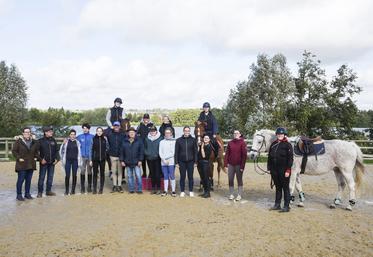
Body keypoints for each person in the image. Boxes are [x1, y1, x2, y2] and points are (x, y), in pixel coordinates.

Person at [267, 127, 294, 213]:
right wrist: (269, 168)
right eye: (278, 134)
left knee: (285, 188)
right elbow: (269, 157)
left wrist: (288, 170)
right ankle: (277, 204)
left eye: (281, 134)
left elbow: (290, 159)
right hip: (274, 170)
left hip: (284, 170)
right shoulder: (273, 144)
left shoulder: (288, 145)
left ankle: (286, 206)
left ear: (284, 135)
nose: (280, 136)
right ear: (276, 135)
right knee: (278, 188)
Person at [12, 127, 39, 201]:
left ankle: (27, 194)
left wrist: (36, 157)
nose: (27, 133)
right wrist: (18, 158)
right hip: (22, 164)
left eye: (29, 132)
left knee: (28, 180)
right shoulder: (18, 141)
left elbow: (37, 150)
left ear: (30, 133)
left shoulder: (33, 141)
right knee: (21, 180)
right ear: (23, 133)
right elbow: (14, 151)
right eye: (26, 132)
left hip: (31, 164)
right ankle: (19, 195)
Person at [224, 130, 247, 201]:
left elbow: (244, 155)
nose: (236, 134)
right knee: (230, 179)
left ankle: (239, 195)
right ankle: (231, 194)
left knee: (239, 179)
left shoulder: (243, 143)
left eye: (237, 133)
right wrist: (225, 164)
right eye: (234, 133)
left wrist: (242, 166)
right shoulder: (230, 143)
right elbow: (227, 154)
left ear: (240, 134)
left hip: (239, 165)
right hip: (231, 164)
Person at [36, 126, 59, 198]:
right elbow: (36, 152)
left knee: (50, 177)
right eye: (49, 131)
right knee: (42, 177)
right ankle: (40, 192)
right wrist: (40, 159)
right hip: (43, 163)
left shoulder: (53, 140)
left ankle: (48, 191)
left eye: (51, 131)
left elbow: (56, 150)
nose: (51, 132)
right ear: (45, 132)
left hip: (52, 163)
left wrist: (57, 159)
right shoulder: (40, 141)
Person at [175, 126, 198, 197]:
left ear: (189, 131)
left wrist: (196, 161)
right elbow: (176, 152)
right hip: (181, 161)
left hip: (191, 161)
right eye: (185, 131)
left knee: (190, 177)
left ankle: (191, 191)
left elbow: (195, 152)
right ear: (183, 131)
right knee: (182, 177)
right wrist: (176, 162)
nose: (187, 132)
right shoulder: (178, 140)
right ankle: (182, 191)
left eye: (188, 131)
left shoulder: (193, 140)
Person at [120, 127, 144, 194]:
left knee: (138, 176)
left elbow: (141, 151)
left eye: (133, 132)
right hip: (127, 162)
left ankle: (139, 189)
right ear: (128, 133)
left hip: (137, 162)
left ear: (135, 133)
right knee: (130, 177)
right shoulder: (124, 141)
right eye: (130, 132)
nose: (131, 133)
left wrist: (140, 160)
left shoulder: (139, 140)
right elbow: (121, 152)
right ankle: (131, 189)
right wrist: (122, 161)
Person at [60, 129, 82, 195]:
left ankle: (73, 190)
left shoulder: (77, 142)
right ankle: (66, 190)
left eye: (74, 134)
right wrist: (62, 158)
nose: (72, 136)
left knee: (74, 175)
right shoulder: (66, 142)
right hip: (67, 161)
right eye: (71, 134)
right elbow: (61, 151)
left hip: (75, 161)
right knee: (67, 175)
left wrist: (80, 161)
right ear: (69, 135)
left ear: (75, 135)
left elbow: (79, 153)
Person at [107, 121, 126, 193]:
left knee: (120, 172)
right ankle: (115, 185)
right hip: (112, 155)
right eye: (115, 126)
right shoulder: (110, 134)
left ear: (119, 126)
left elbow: (124, 145)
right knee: (114, 171)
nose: (116, 127)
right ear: (113, 126)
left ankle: (119, 185)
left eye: (117, 126)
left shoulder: (123, 135)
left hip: (120, 156)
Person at [144, 125, 163, 194]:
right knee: (152, 173)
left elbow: (162, 148)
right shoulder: (147, 138)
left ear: (156, 131)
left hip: (157, 158)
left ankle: (158, 188)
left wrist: (158, 154)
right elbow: (144, 147)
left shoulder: (160, 138)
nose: (152, 132)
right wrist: (147, 153)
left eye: (154, 131)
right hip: (149, 158)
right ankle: (153, 188)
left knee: (157, 174)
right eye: (151, 131)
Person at [90, 127, 109, 194]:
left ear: (102, 132)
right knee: (95, 174)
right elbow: (91, 150)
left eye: (100, 131)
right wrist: (91, 160)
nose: (99, 132)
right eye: (98, 131)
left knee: (102, 174)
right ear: (96, 131)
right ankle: (94, 188)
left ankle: (101, 188)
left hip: (103, 159)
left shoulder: (105, 139)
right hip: (95, 159)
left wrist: (105, 155)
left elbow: (107, 147)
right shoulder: (93, 139)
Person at [77, 123, 94, 193]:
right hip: (82, 157)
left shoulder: (92, 136)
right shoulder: (79, 137)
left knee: (89, 171)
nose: (85, 129)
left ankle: (89, 186)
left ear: (89, 129)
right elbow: (72, 141)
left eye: (86, 128)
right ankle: (82, 186)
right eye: (84, 128)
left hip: (90, 157)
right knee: (82, 171)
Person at [159, 128, 176, 197]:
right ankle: (165, 190)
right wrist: (163, 159)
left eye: (169, 133)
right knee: (165, 176)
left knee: (171, 176)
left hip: (171, 161)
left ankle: (173, 190)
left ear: (171, 133)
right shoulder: (161, 142)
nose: (167, 134)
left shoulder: (174, 141)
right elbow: (160, 152)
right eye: (166, 133)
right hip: (163, 162)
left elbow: (173, 152)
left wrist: (167, 159)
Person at [137, 113, 154, 177]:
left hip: (149, 145)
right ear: (143, 119)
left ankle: (151, 173)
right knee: (143, 160)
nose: (146, 119)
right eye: (145, 118)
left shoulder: (152, 125)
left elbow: (155, 134)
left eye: (147, 118)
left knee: (149, 160)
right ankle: (144, 173)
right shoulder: (140, 125)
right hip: (142, 145)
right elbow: (137, 134)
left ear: (149, 119)